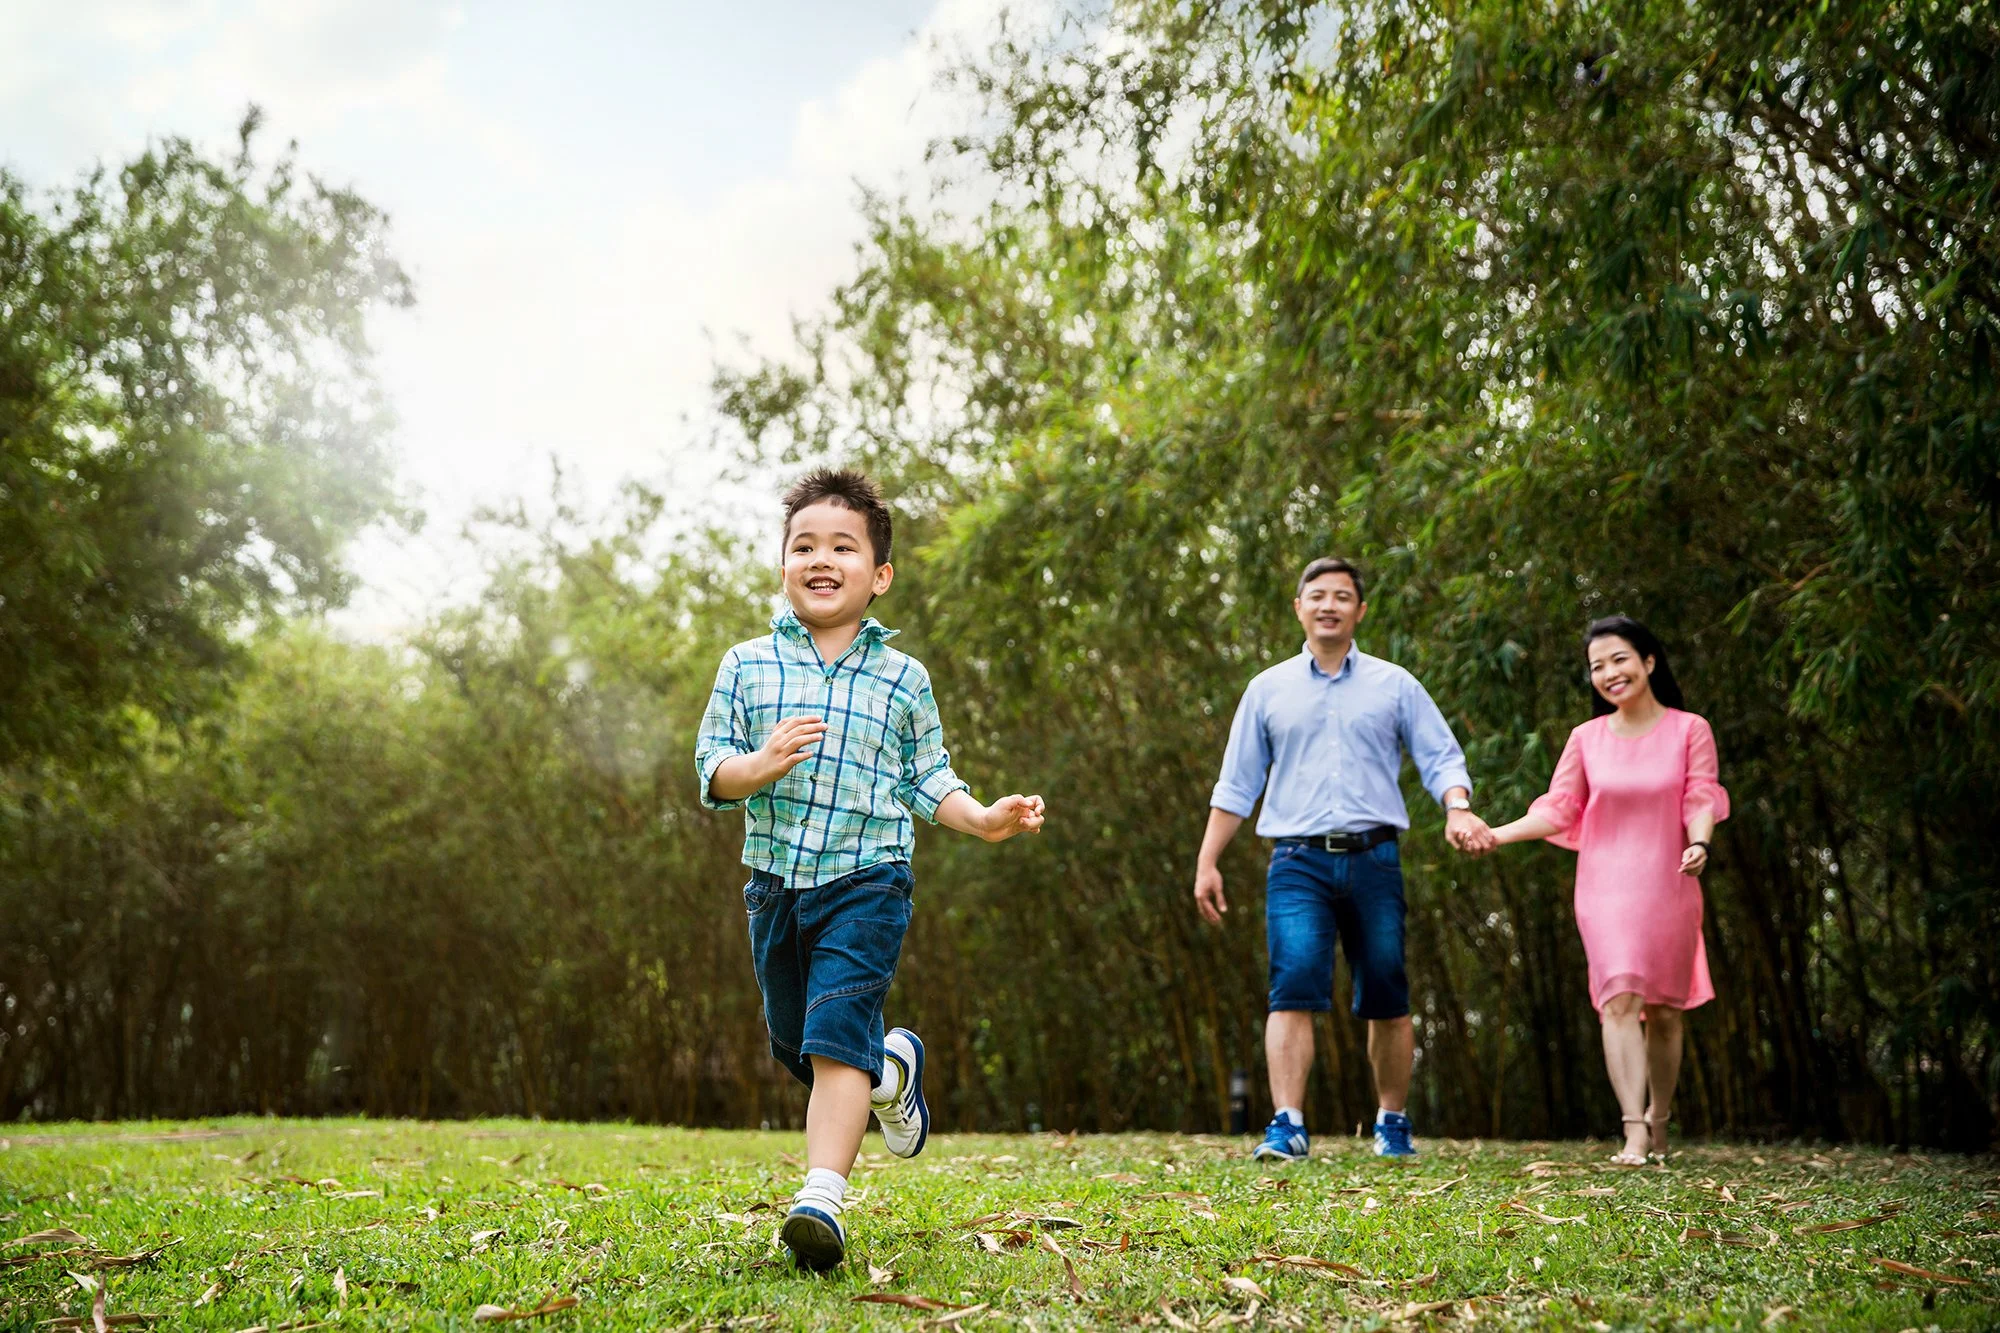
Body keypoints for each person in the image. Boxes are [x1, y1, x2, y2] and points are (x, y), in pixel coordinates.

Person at [695, 468, 1046, 1270]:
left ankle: (821, 1197)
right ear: (783, 563)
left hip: (868, 879)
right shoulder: (746, 665)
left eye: (842, 547)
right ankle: (890, 1071)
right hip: (776, 883)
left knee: (831, 1036)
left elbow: (930, 779)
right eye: (804, 545)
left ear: (878, 575)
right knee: (799, 1041)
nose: (822, 559)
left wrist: (986, 818)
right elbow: (711, 769)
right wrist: (759, 764)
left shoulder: (903, 678)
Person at [1194, 557, 1494, 1161]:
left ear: (1359, 610)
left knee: (1386, 988)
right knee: (1293, 986)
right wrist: (1207, 862)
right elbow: (1236, 785)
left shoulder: (1395, 684)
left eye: (1342, 596)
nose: (1329, 604)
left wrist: (1457, 807)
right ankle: (1287, 1124)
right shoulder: (1267, 689)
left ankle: (1392, 1122)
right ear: (1298, 608)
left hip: (1374, 858)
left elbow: (1441, 758)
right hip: (1296, 863)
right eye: (1317, 595)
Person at [1480, 616, 1728, 1164]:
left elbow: (1701, 796)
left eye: (1619, 659)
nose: (1609, 673)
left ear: (1648, 662)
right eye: (1597, 666)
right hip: (1605, 886)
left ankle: (1660, 1122)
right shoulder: (1585, 739)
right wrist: (1496, 835)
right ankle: (1634, 1130)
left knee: (1665, 1010)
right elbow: (1558, 808)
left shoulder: (1690, 729)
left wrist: (1700, 843)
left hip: (1670, 880)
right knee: (1618, 1000)